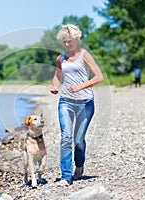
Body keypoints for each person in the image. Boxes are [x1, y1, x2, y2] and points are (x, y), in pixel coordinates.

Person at [50, 24, 104, 186]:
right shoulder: (61, 58)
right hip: (65, 101)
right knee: (66, 137)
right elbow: (57, 76)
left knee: (78, 140)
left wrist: (80, 87)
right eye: (65, 41)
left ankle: (79, 166)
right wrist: (55, 86)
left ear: (77, 39)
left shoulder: (85, 55)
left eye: (70, 41)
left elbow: (99, 77)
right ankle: (66, 176)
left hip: (85, 102)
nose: (67, 44)